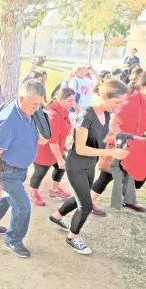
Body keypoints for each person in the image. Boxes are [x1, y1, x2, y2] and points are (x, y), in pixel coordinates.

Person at [49, 80, 130, 255]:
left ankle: (56, 216)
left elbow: (104, 134)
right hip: (76, 164)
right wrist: (112, 152)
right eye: (118, 102)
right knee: (86, 205)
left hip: (90, 164)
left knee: (81, 195)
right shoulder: (86, 114)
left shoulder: (106, 114)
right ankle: (72, 237)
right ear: (105, 96)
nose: (120, 106)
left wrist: (121, 137)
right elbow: (80, 148)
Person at [0, 80, 46, 258]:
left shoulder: (29, 110)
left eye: (40, 103)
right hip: (7, 172)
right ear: (22, 98)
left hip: (19, 169)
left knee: (5, 197)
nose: (38, 107)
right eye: (34, 104)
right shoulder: (8, 120)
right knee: (23, 207)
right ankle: (13, 241)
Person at [90, 71, 146, 214]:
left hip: (133, 144)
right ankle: (89, 202)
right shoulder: (132, 100)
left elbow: (135, 120)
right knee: (107, 175)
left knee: (139, 171)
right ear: (143, 85)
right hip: (123, 144)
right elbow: (114, 121)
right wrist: (119, 143)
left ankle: (129, 200)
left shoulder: (143, 101)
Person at [28, 88, 75, 206]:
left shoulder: (63, 110)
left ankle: (54, 190)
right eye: (69, 101)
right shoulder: (53, 114)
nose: (72, 103)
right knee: (40, 172)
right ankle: (33, 193)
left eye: (73, 100)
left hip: (57, 148)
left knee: (62, 167)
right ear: (60, 99)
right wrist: (59, 159)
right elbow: (52, 140)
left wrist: (63, 147)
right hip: (45, 150)